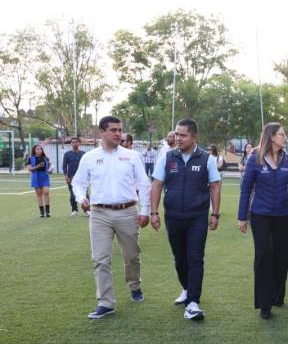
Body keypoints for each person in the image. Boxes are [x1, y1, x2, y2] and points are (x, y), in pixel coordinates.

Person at [72, 116, 151, 319]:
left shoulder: (132, 156)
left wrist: (145, 211)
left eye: (120, 130)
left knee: (132, 256)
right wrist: (81, 198)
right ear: (102, 132)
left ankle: (134, 286)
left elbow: (144, 184)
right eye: (114, 130)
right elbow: (78, 182)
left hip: (127, 212)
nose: (118, 134)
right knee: (100, 259)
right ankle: (106, 303)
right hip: (99, 214)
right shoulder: (89, 157)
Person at [151, 119, 222, 321]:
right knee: (179, 259)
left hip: (197, 218)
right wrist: (154, 213)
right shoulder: (168, 157)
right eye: (177, 134)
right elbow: (157, 184)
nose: (178, 138)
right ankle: (186, 288)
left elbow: (215, 186)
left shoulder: (206, 159)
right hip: (173, 216)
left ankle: (193, 302)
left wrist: (215, 214)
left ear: (194, 137)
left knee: (195, 258)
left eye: (183, 135)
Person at [238, 123, 288, 319]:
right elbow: (245, 189)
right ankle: (264, 304)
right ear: (272, 136)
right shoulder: (255, 158)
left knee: (280, 257)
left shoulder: (287, 159)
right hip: (260, 215)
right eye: (282, 134)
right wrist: (242, 217)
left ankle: (278, 296)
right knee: (263, 256)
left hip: (282, 216)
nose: (285, 137)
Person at [27, 144, 52, 218]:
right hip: (36, 177)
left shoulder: (45, 158)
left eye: (40, 149)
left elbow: (50, 167)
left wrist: (50, 170)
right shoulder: (31, 158)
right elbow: (29, 168)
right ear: (34, 150)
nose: (39, 150)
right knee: (39, 194)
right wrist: (37, 166)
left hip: (44, 176)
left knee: (46, 192)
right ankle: (42, 211)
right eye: (37, 149)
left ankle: (48, 211)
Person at [62, 137, 86, 216]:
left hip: (82, 177)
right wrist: (66, 176)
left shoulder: (83, 153)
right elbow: (64, 166)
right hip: (71, 177)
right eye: (73, 142)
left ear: (79, 143)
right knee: (73, 195)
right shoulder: (67, 154)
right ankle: (74, 210)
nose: (74, 143)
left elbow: (87, 166)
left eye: (76, 142)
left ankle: (87, 210)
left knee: (85, 194)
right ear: (71, 144)